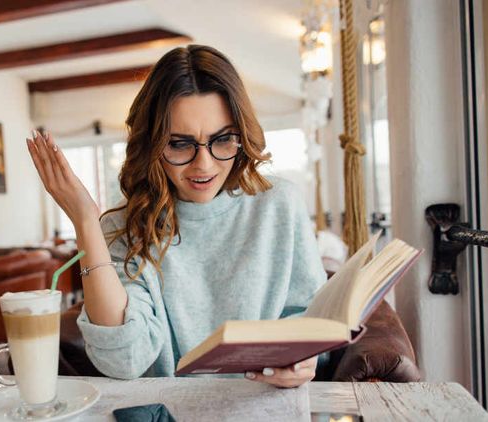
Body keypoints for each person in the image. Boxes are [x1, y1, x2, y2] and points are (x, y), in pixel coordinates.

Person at [26, 45, 326, 388]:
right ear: (153, 145)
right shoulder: (122, 229)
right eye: (180, 144)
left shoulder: (279, 204)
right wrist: (85, 222)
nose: (204, 165)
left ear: (241, 135)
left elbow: (312, 316)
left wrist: (305, 359)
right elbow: (124, 360)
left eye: (223, 139)